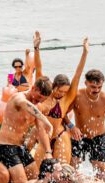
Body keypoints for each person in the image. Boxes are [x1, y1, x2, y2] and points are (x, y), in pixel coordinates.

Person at [33, 31, 89, 164]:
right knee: (35, 172)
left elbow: (78, 73)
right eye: (60, 91)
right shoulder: (45, 95)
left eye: (65, 92)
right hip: (44, 136)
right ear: (54, 86)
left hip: (60, 134)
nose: (62, 94)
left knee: (63, 169)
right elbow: (39, 68)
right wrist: (36, 49)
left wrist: (85, 52)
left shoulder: (66, 98)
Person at [0, 77, 54, 183]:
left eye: (42, 100)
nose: (38, 102)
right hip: (5, 147)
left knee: (36, 180)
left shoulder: (37, 106)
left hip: (20, 148)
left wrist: (48, 152)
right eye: (38, 98)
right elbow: (26, 104)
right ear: (33, 88)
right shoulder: (18, 98)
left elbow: (41, 130)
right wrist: (47, 121)